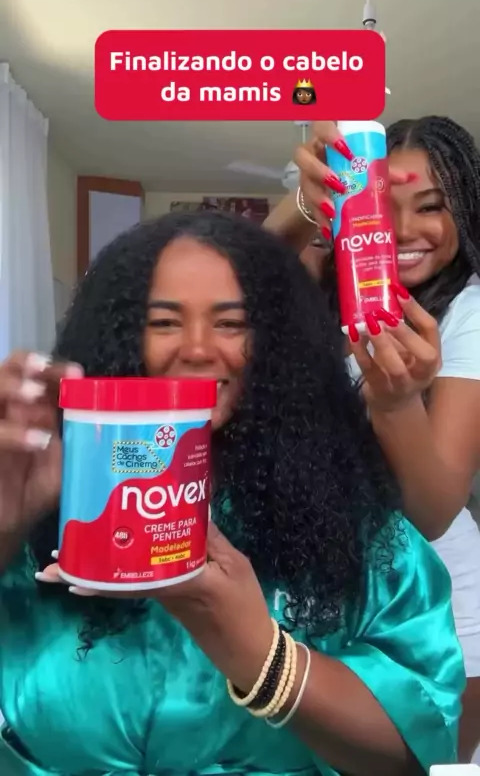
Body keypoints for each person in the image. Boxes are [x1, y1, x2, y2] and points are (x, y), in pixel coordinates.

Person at [0, 212, 463, 776]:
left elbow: (424, 742)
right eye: (164, 322)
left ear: (276, 344)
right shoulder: (44, 498)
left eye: (231, 323)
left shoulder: (357, 524)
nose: (197, 349)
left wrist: (262, 656)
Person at [265, 115, 480, 761]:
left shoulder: (467, 312)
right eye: (384, 206)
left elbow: (434, 510)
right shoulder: (324, 282)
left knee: (435, 763)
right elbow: (242, 275)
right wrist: (305, 203)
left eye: (432, 206)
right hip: (328, 581)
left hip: (443, 590)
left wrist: (397, 401)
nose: (405, 230)